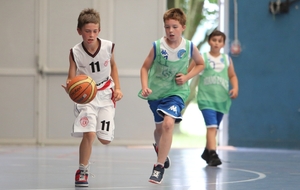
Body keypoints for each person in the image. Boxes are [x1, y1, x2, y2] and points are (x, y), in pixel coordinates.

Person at [139, 8, 205, 184]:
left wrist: (187, 77)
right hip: (156, 94)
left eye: (174, 27)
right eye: (167, 27)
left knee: (169, 124)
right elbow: (144, 67)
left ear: (182, 27)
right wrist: (145, 86)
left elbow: (200, 64)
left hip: (176, 93)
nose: (170, 31)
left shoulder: (189, 47)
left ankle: (159, 167)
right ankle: (160, 148)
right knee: (159, 129)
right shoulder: (157, 46)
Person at [61, 8, 123, 187]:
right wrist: (70, 87)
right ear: (79, 31)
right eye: (87, 31)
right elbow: (71, 77)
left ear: (99, 31)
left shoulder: (107, 46)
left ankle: (102, 125)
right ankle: (83, 170)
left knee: (104, 139)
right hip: (87, 96)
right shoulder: (75, 52)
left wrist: (118, 87)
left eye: (95, 31)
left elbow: (114, 66)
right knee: (89, 134)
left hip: (105, 93)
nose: (91, 35)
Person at [189, 30, 239, 166]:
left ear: (223, 44)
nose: (216, 43)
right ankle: (213, 154)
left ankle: (206, 151)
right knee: (211, 127)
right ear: (209, 41)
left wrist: (235, 88)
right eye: (214, 40)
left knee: (214, 128)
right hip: (206, 99)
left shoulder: (227, 59)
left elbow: (232, 76)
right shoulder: (202, 57)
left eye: (219, 41)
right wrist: (183, 79)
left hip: (221, 99)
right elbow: (189, 71)